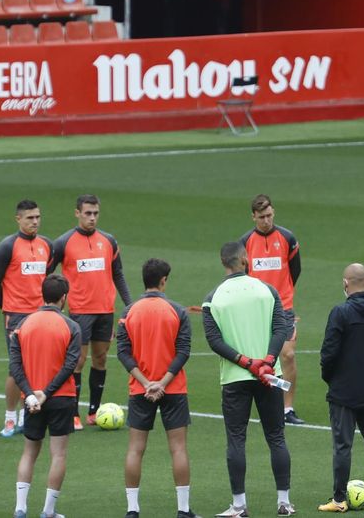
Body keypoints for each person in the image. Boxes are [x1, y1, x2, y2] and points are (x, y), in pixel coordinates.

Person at [203, 242, 294, 517]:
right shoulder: (267, 290)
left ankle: (239, 506)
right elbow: (281, 327)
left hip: (234, 379)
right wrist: (266, 361)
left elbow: (214, 340)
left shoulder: (213, 297)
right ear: (245, 258)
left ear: (223, 263)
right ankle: (284, 503)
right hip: (271, 377)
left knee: (236, 440)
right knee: (276, 437)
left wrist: (246, 362)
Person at [116, 259, 198, 518]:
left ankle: (132, 510)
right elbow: (183, 350)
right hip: (172, 389)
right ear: (163, 281)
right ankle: (183, 510)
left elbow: (123, 353)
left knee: (135, 449)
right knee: (178, 449)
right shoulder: (177, 311)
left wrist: (145, 382)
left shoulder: (128, 312)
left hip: (140, 390)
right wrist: (162, 383)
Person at [50, 194, 133, 429]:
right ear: (77, 213)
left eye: (96, 213)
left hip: (105, 310)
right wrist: (52, 301)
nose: (92, 218)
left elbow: (118, 274)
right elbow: (47, 272)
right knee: (78, 361)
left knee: (101, 359)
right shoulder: (63, 242)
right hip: (79, 312)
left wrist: (129, 304)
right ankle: (73, 413)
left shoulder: (109, 241)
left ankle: (93, 412)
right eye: (87, 213)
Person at [316, 263, 364, 512]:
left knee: (342, 445)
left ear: (345, 283)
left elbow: (328, 353)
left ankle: (339, 500)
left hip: (343, 391)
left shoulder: (340, 313)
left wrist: (331, 378)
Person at [8, 274, 83, 518]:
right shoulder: (71, 326)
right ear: (63, 298)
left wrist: (31, 394)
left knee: (29, 452)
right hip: (61, 398)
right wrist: (46, 393)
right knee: (58, 454)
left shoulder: (23, 325)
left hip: (31, 402)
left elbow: (15, 367)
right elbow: (71, 364)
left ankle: (20, 508)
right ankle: (48, 511)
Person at [239, 194, 305, 425]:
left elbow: (295, 270)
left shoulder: (287, 238)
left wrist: (283, 293)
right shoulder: (245, 242)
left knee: (287, 355)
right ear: (253, 217)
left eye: (269, 215)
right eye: (261, 217)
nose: (266, 220)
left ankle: (287, 408)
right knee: (259, 360)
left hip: (283, 307)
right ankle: (265, 401)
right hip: (255, 310)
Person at [0, 200, 53, 438]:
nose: (34, 222)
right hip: (16, 315)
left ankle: (27, 416)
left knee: (37, 366)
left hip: (41, 315)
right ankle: (9, 418)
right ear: (18, 219)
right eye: (29, 218)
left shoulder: (46, 244)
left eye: (37, 217)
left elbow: (47, 277)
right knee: (16, 368)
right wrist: (7, 307)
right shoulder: (8, 246)